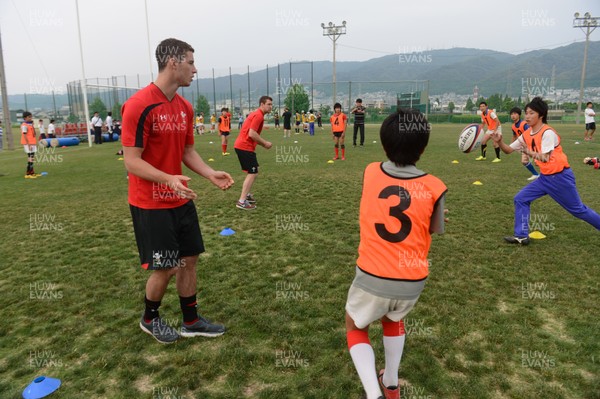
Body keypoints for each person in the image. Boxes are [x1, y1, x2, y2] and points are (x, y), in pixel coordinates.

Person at [121, 38, 234, 344]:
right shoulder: (138, 105)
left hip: (179, 197)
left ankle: (191, 320)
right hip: (150, 201)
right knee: (167, 265)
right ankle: (150, 318)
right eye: (191, 62)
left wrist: (210, 173)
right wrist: (167, 178)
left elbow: (186, 151)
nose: (195, 69)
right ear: (174, 63)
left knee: (189, 258)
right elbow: (132, 161)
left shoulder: (184, 106)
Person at [345, 109, 447, 399]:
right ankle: (390, 383)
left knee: (355, 325)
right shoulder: (435, 186)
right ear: (424, 148)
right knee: (393, 319)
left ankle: (373, 393)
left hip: (372, 276)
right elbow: (435, 229)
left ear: (384, 144)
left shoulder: (370, 171)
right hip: (412, 280)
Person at [491, 97, 600, 245]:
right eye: (526, 113)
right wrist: (500, 141)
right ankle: (522, 236)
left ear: (541, 115)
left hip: (560, 178)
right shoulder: (527, 134)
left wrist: (528, 152)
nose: (527, 116)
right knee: (521, 199)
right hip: (545, 178)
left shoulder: (547, 133)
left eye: (531, 113)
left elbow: (545, 158)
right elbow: (509, 150)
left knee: (578, 210)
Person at [233, 96, 273, 210]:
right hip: (244, 147)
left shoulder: (257, 114)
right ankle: (241, 201)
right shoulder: (259, 115)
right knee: (253, 172)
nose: (270, 106)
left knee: (254, 171)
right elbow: (252, 134)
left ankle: (247, 195)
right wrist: (265, 143)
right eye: (268, 104)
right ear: (262, 104)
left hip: (242, 146)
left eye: (271, 104)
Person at [510, 107, 539, 181]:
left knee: (539, 161)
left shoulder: (524, 124)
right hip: (524, 146)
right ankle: (536, 174)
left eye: (515, 114)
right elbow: (514, 136)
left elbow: (531, 133)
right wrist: (510, 146)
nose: (513, 115)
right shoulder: (513, 126)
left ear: (519, 115)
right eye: (512, 114)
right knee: (524, 161)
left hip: (531, 145)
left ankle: (550, 173)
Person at [21, 111, 38, 178]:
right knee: (30, 157)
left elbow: (33, 134)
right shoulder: (24, 125)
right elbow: (24, 135)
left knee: (32, 157)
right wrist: (28, 144)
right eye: (29, 117)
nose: (31, 118)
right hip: (28, 143)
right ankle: (28, 173)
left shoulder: (30, 124)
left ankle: (32, 172)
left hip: (32, 142)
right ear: (25, 118)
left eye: (31, 117)